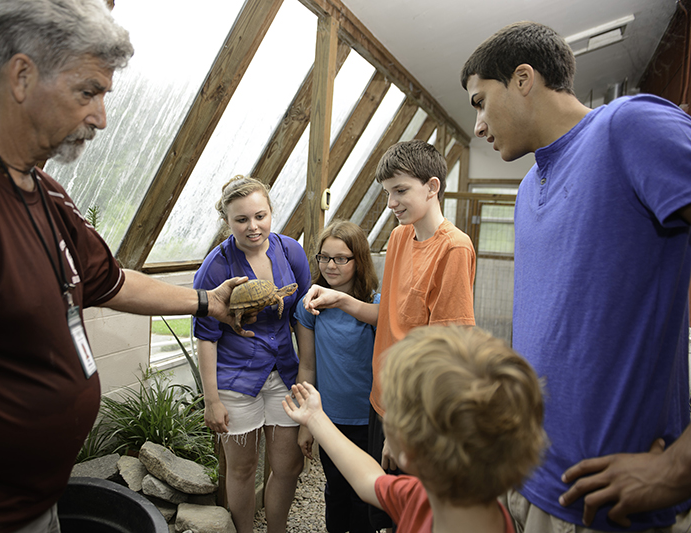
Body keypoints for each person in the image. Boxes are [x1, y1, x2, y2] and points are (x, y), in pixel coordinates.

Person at [0, 1, 254, 532]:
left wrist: (207, 301)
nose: (102, 118)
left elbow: (111, 282)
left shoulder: (46, 193)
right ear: (21, 75)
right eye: (88, 92)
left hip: (41, 504)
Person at [461, 21, 691, 533]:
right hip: (531, 479)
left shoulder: (627, 127)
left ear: (523, 79)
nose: (477, 124)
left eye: (480, 101)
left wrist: (680, 465)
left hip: (609, 505)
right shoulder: (526, 189)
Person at [303, 139, 476, 530]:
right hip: (381, 401)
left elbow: (449, 352)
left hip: (415, 412)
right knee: (377, 509)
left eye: (401, 191)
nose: (392, 203)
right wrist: (340, 299)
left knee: (409, 513)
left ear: (432, 187)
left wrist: (403, 424)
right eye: (387, 193)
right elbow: (391, 316)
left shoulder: (454, 248)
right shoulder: (400, 237)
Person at [282, 325, 546, 533]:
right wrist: (315, 418)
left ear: (410, 449)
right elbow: (368, 480)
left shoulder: (423, 501)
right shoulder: (431, 498)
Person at [193, 175, 312, 533]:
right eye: (241, 219)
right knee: (242, 469)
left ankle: (277, 529)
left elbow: (304, 315)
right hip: (235, 381)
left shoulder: (291, 251)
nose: (253, 226)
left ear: (271, 212)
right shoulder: (216, 266)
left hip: (285, 375)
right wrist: (211, 400)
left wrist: (308, 377)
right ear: (227, 222)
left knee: (288, 466)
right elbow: (206, 336)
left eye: (260, 216)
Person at [294, 220, 380, 533]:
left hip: (369, 420)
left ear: (359, 260)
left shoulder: (375, 304)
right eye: (324, 257)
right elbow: (307, 365)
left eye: (341, 258)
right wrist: (308, 423)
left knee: (365, 499)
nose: (330, 265)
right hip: (330, 418)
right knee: (336, 491)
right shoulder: (309, 306)